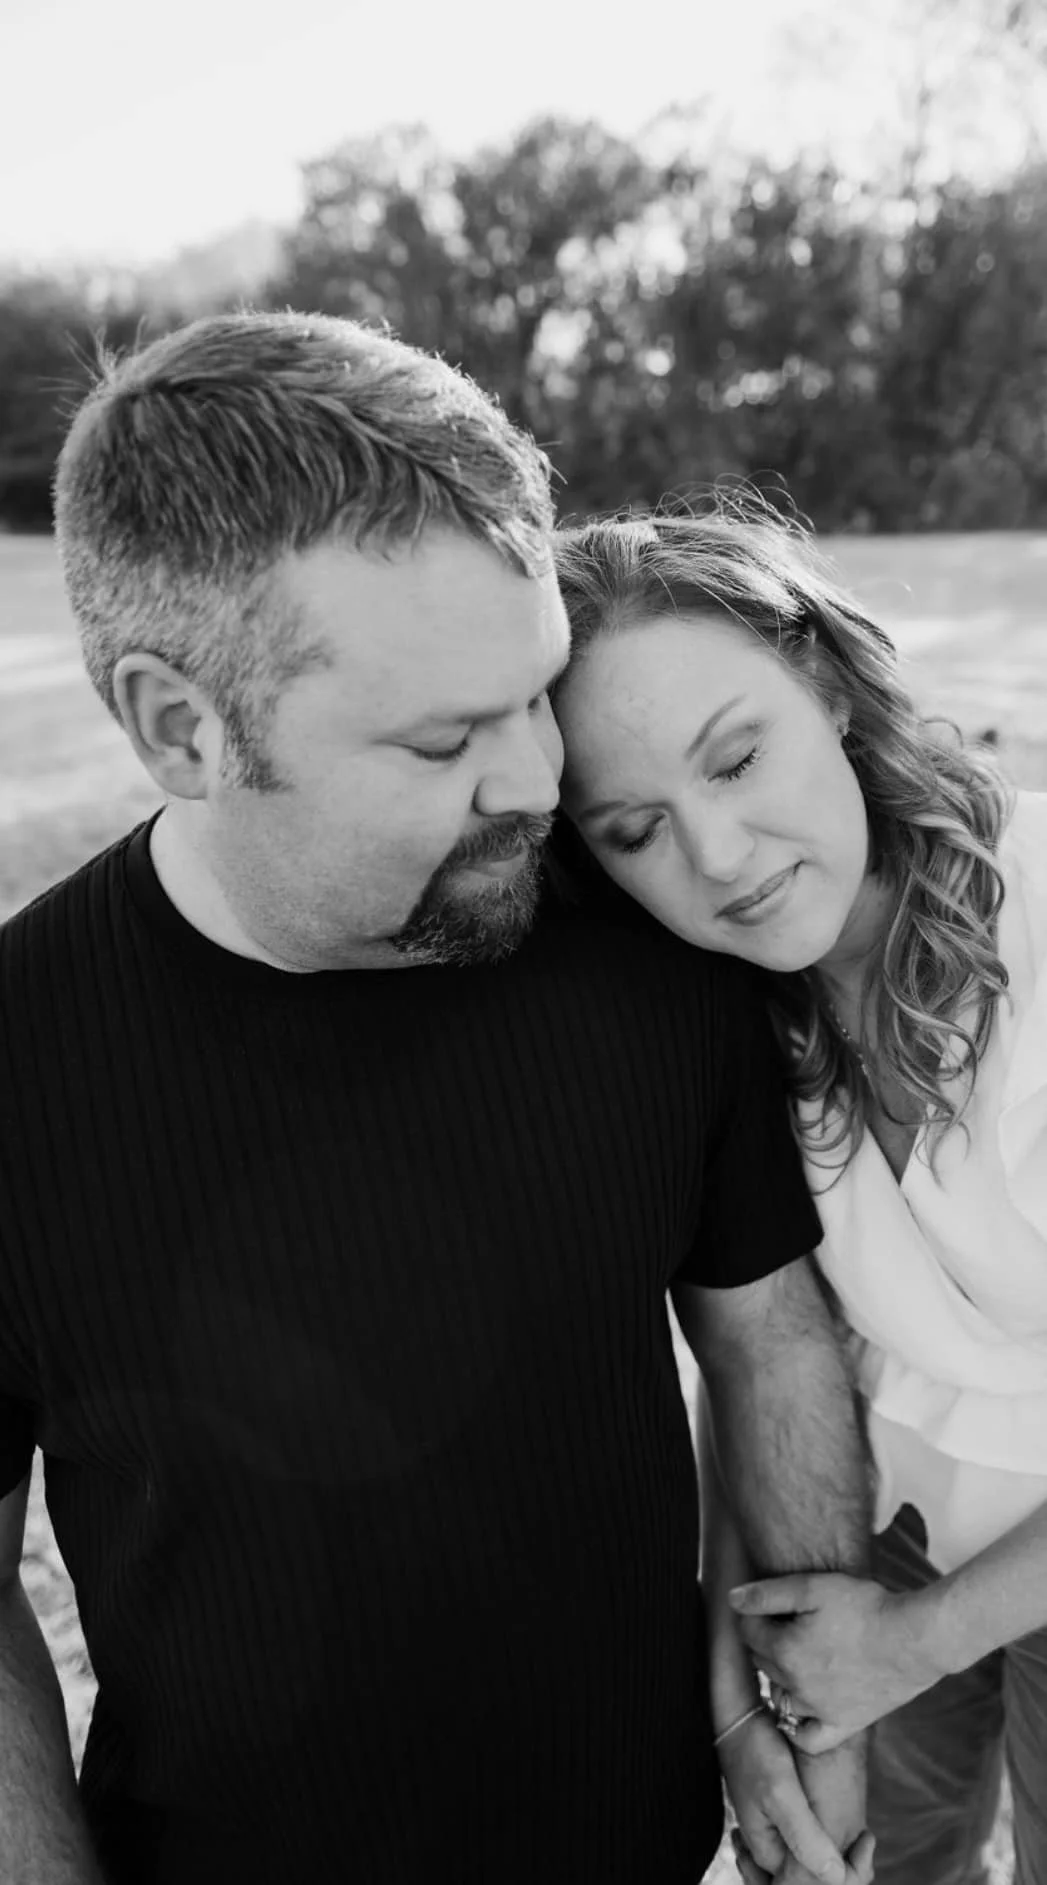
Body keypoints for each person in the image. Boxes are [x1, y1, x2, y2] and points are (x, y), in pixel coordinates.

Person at [0, 313, 874, 1885]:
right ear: (180, 728)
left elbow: (768, 1338)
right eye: (440, 739)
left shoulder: (638, 939)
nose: (537, 784)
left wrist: (797, 1724)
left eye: (534, 691)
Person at [551, 502, 1047, 1885]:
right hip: (882, 1537)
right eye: (634, 829)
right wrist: (742, 1688)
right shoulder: (720, 1022)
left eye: (737, 757)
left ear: (824, 683)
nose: (716, 857)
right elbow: (759, 1344)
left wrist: (918, 1643)